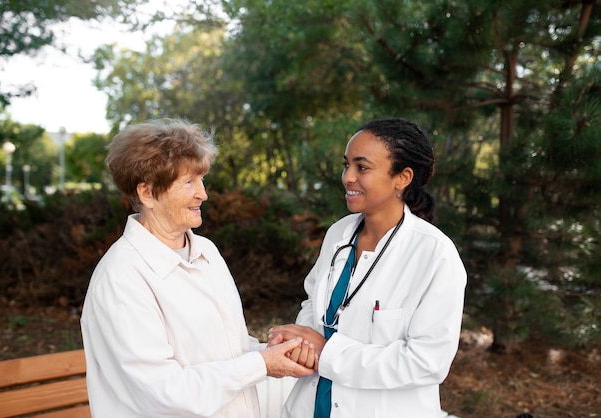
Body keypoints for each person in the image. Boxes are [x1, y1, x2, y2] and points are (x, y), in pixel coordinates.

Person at [80, 118, 317, 418]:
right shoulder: (121, 278)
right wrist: (262, 364)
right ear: (147, 193)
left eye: (202, 179)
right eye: (189, 182)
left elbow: (227, 353)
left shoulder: (207, 252)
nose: (203, 193)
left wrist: (273, 353)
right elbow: (163, 393)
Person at [269, 117, 467, 418]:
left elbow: (428, 363)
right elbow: (313, 302)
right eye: (346, 164)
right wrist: (301, 342)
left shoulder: (434, 255)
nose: (348, 177)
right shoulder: (339, 233)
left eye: (362, 167)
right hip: (309, 406)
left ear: (402, 177)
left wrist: (327, 352)